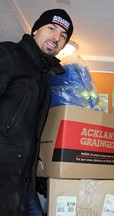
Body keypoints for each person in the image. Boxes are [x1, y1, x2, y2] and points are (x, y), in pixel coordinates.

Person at [0, 9, 73, 216]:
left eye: (63, 36)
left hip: (24, 182)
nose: (56, 38)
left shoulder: (44, 77)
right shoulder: (9, 54)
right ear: (35, 31)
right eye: (52, 28)